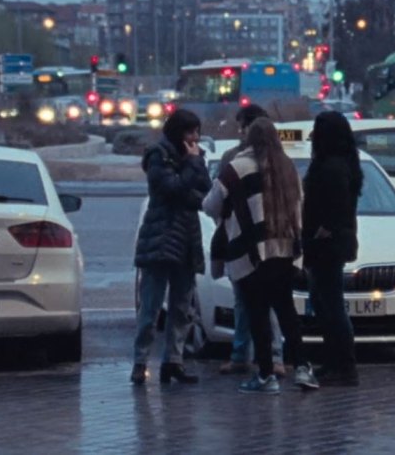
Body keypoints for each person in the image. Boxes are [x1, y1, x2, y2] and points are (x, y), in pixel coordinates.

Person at [203, 118, 319, 394]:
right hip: (286, 251)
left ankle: (266, 375)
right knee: (286, 312)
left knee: (257, 314)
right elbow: (299, 207)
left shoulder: (237, 168)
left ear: (249, 139)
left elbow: (210, 204)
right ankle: (303, 367)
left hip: (250, 252)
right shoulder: (287, 167)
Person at [131, 109, 211, 385]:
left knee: (182, 306)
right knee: (151, 307)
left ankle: (173, 361)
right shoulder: (158, 155)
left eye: (197, 132)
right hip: (161, 237)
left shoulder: (195, 157)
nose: (195, 138)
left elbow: (204, 191)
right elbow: (170, 188)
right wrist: (190, 166)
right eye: (190, 132)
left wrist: (192, 167)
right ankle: (140, 362)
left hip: (187, 237)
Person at [213, 104, 285, 377]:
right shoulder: (279, 159)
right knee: (267, 302)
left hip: (241, 239)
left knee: (245, 300)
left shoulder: (233, 159)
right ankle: (270, 357)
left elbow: (215, 201)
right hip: (271, 239)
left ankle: (246, 354)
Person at [303, 111, 362, 386]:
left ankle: (343, 363)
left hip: (327, 243)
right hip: (331, 242)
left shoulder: (331, 167)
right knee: (325, 300)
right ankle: (335, 360)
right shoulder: (343, 163)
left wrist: (322, 229)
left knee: (331, 303)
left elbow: (333, 206)